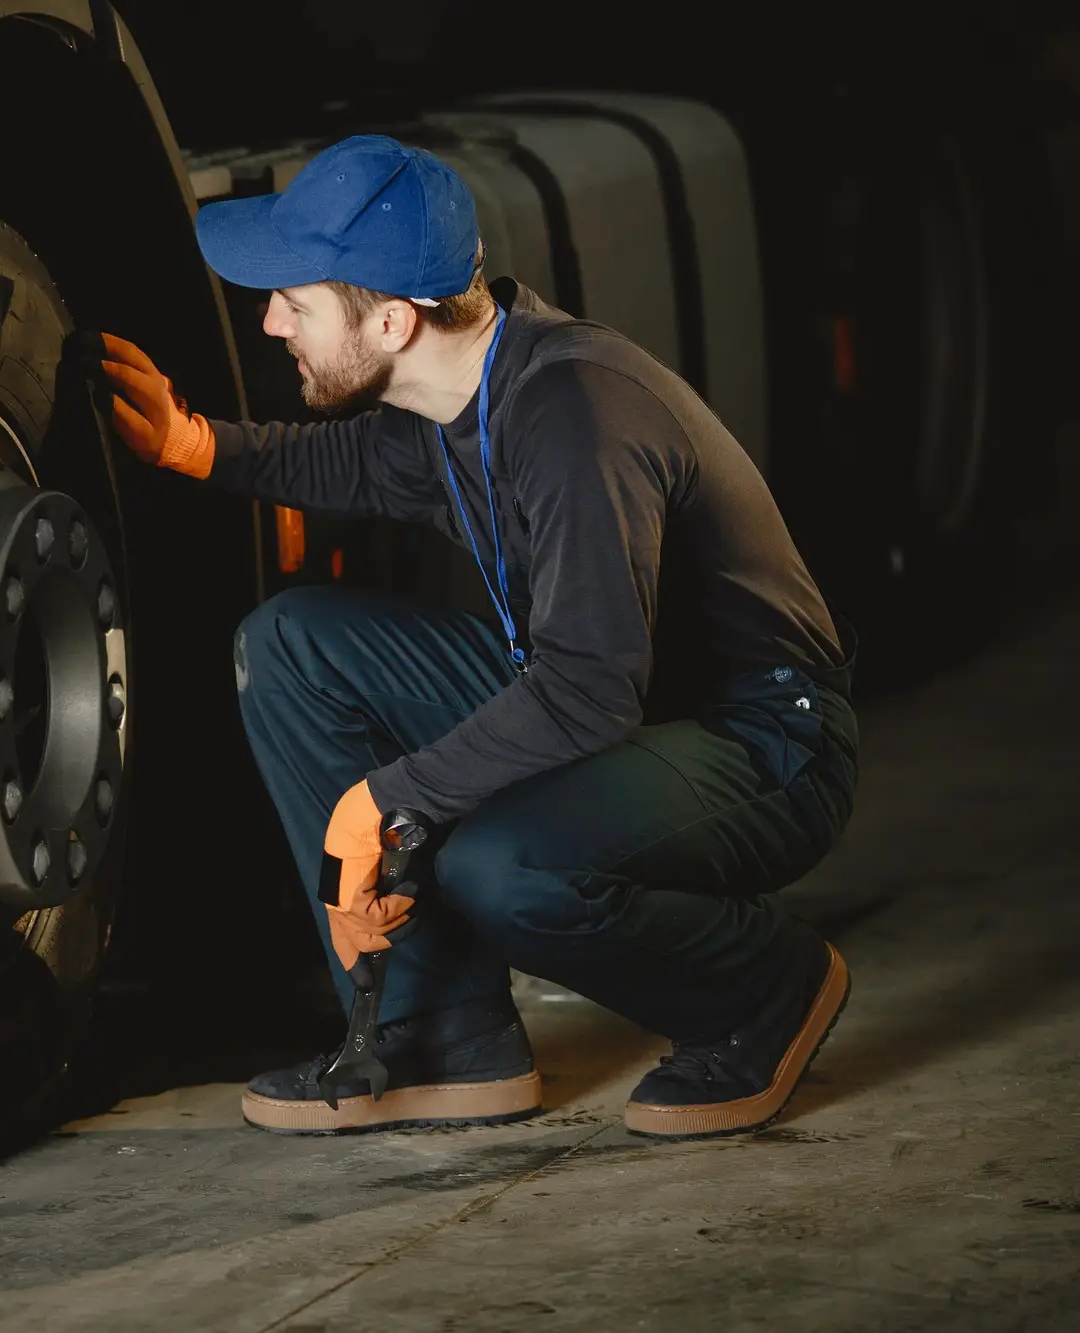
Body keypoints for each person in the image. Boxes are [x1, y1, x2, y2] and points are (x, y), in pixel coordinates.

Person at [98, 135, 858, 1138]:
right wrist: (194, 445)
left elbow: (587, 689)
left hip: (764, 738)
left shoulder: (574, 413)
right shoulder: (453, 398)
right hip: (621, 708)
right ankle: (439, 1035)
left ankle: (760, 987)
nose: (269, 317)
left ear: (391, 319)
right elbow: (349, 468)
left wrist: (380, 801)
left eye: (296, 299)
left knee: (498, 867)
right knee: (289, 646)